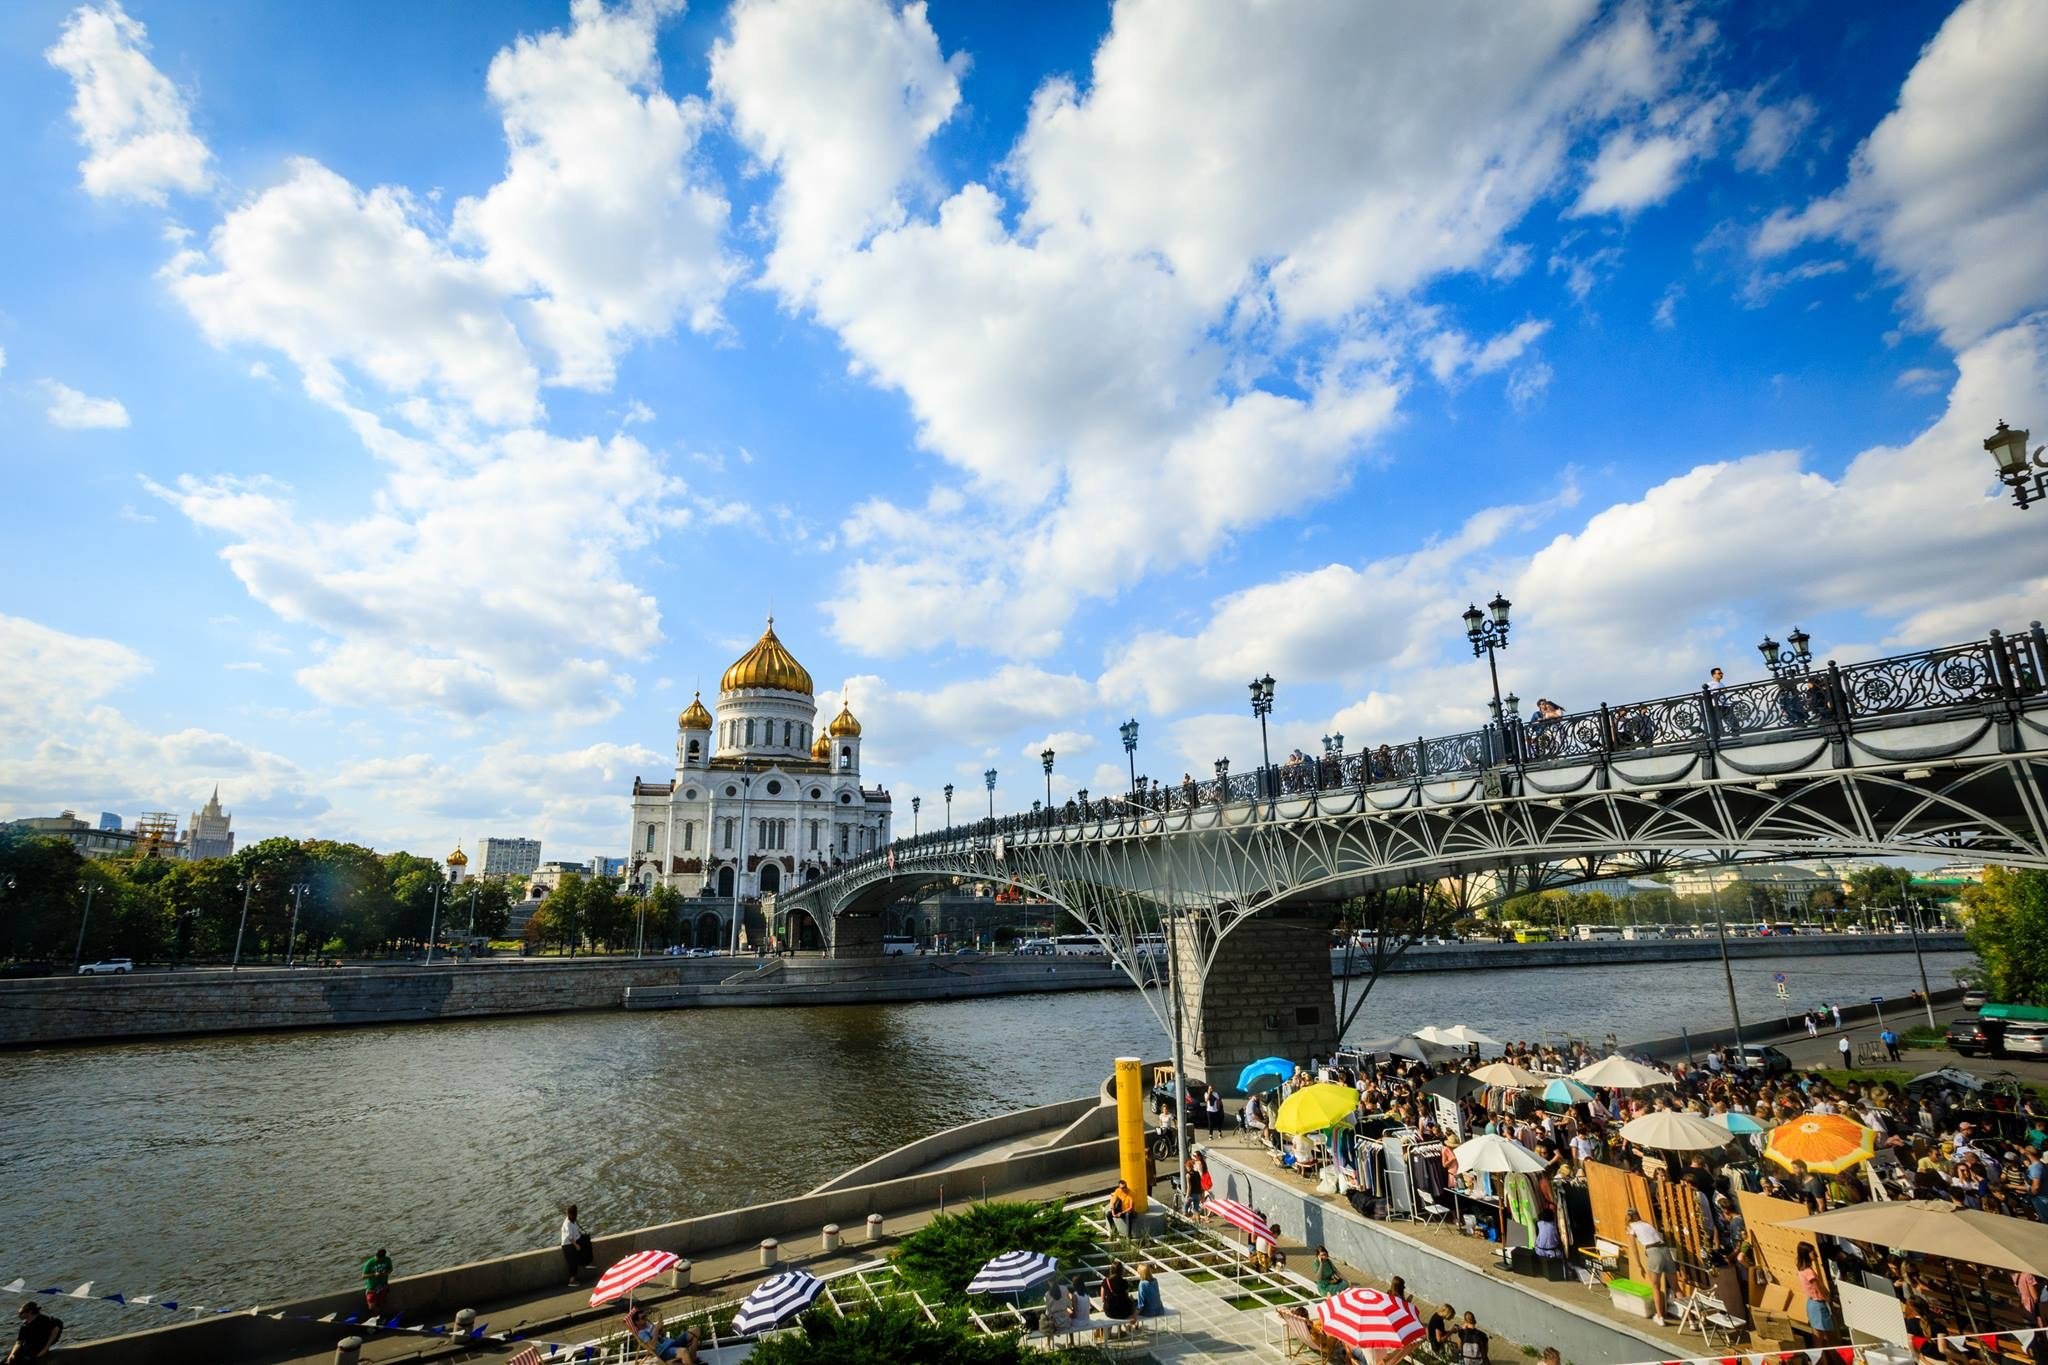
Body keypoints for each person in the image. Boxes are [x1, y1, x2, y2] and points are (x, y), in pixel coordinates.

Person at [1627, 1207, 1677, 1324]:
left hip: (1653, 1252)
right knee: (1676, 1288)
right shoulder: (1646, 1224)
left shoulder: (1630, 1227)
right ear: (1637, 1215)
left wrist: (1639, 1265)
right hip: (1665, 1250)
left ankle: (1660, 1317)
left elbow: (1634, 1249)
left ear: (1628, 1217)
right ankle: (1692, 1321)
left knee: (1655, 1287)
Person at [622, 1302, 700, 1362]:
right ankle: (691, 1360)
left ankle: (693, 1358)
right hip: (664, 1351)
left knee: (696, 1330)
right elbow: (652, 1346)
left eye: (645, 1316)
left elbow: (662, 1336)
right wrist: (656, 1329)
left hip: (672, 1343)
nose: (646, 1318)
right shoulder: (642, 1334)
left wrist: (661, 1330)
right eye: (643, 1317)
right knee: (684, 1351)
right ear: (637, 1322)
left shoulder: (648, 1325)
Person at [1798, 1243, 1834, 1341]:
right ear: (1806, 1254)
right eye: (1812, 1252)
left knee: (1820, 1335)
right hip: (1818, 1305)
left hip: (1811, 1304)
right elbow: (1819, 1287)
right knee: (1822, 1337)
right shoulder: (1809, 1272)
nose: (1815, 1254)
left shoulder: (1802, 1270)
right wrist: (1828, 1298)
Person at [561, 1204, 593, 1285]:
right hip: (568, 1245)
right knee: (573, 1263)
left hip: (575, 1240)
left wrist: (582, 1235)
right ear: (571, 1214)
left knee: (586, 1242)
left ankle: (586, 1263)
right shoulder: (568, 1223)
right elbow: (570, 1237)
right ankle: (571, 1281)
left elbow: (576, 1230)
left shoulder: (573, 1220)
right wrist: (576, 1245)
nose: (576, 1215)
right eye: (575, 1213)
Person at [1100, 1263, 1136, 1327]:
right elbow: (1126, 1297)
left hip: (1109, 1312)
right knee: (1133, 1301)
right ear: (1121, 1271)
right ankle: (1132, 1324)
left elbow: (1102, 1299)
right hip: (1123, 1313)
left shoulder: (1105, 1281)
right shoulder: (1124, 1282)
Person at [361, 1248, 394, 1314]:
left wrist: (385, 1272)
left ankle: (380, 1315)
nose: (379, 1260)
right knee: (371, 1305)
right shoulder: (369, 1263)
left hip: (383, 1284)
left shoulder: (387, 1260)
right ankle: (375, 1314)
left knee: (381, 1302)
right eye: (378, 1258)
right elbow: (363, 1276)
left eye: (381, 1259)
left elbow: (390, 1269)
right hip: (372, 1286)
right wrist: (374, 1274)